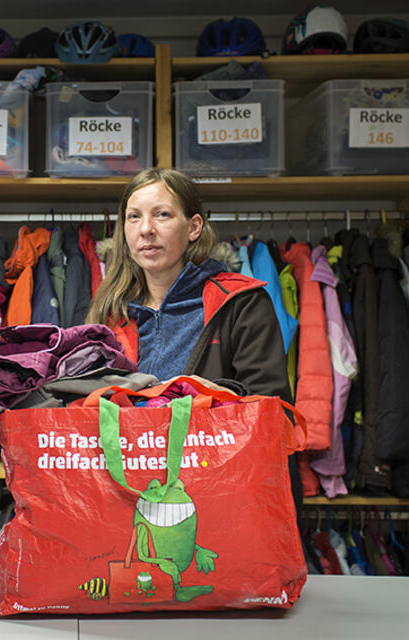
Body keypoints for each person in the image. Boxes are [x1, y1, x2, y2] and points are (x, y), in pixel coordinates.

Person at [86, 167, 303, 518]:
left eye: (163, 215)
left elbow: (270, 414)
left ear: (194, 227)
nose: (146, 229)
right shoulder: (110, 313)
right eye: (134, 217)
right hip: (133, 499)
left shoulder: (240, 301)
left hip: (223, 499)